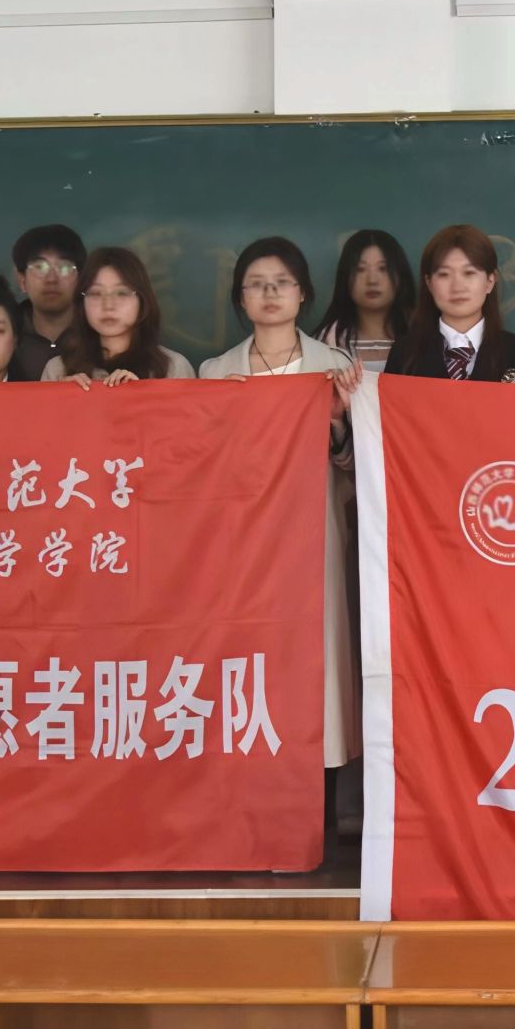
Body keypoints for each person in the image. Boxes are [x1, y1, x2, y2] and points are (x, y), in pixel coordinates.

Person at [199, 239, 362, 787]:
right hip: (240, 546)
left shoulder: (334, 366)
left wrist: (336, 420)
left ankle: (320, 804)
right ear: (240, 298)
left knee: (315, 662)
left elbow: (355, 466)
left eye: (282, 283)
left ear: (302, 294)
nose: (270, 293)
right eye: (256, 284)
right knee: (248, 661)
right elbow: (198, 471)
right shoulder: (214, 371)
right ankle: (247, 797)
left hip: (312, 539)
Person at [384, 225, 515, 383]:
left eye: (469, 273)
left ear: (490, 281)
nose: (457, 287)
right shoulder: (404, 354)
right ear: (429, 283)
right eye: (444, 274)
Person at [42, 247, 194, 384]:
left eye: (122, 293)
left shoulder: (173, 368)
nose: (108, 305)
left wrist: (140, 394)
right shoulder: (58, 370)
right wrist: (62, 397)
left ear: (142, 300)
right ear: (81, 302)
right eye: (96, 293)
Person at [315, 229, 414, 373]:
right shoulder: (327, 342)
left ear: (400, 275)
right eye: (360, 269)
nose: (372, 280)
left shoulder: (423, 336)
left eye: (383, 268)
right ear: (345, 278)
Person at [9, 224, 86, 381]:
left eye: (64, 267)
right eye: (39, 267)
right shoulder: (4, 334)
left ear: (81, 279)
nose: (51, 279)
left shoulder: (99, 333)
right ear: (22, 280)